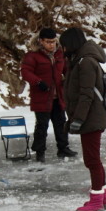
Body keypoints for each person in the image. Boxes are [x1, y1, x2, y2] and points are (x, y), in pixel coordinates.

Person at [59, 27, 106, 211]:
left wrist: (78, 119)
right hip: (90, 117)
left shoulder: (86, 62)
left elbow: (86, 94)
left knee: (92, 161)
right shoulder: (80, 60)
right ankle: (103, 196)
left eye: (63, 45)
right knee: (94, 160)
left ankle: (96, 200)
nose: (62, 49)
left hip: (91, 118)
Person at [20, 28, 76, 162]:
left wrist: (67, 79)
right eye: (48, 42)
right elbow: (26, 72)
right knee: (42, 126)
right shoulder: (32, 56)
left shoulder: (60, 54)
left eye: (53, 42)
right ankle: (40, 152)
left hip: (58, 97)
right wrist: (38, 82)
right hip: (42, 97)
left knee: (61, 123)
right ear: (41, 41)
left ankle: (63, 148)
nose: (52, 45)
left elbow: (67, 69)